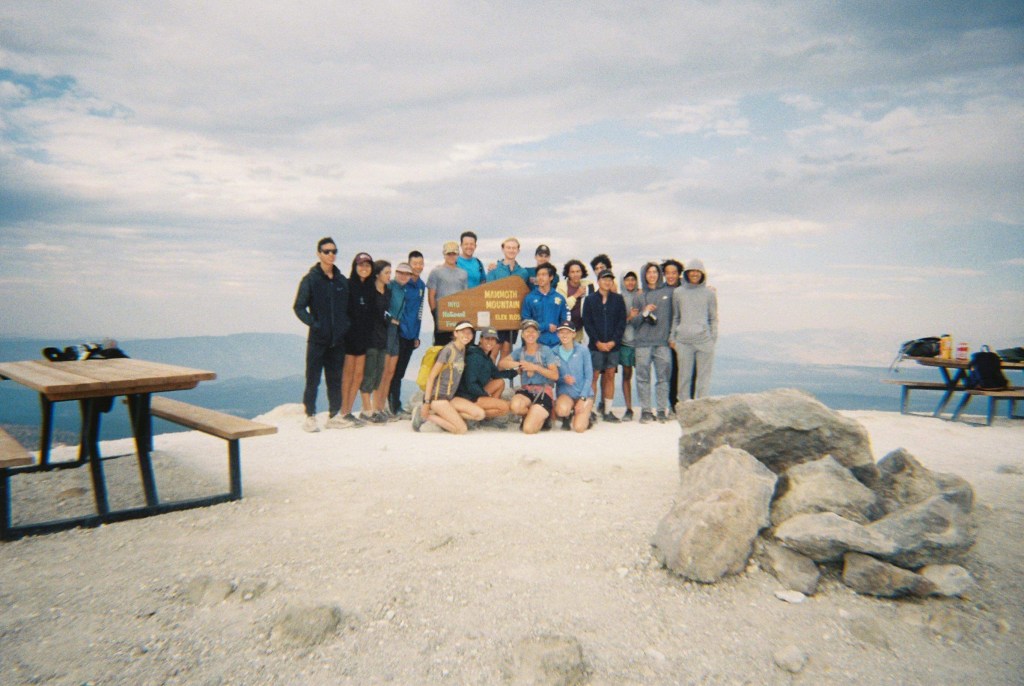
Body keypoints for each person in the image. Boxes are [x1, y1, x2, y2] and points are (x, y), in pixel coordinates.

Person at [292, 237, 350, 432]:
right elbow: (299, 307)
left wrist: (345, 326)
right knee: (313, 379)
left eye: (334, 251)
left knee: (335, 379)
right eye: (326, 251)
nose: (331, 254)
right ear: (319, 253)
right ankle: (310, 416)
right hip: (318, 339)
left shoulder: (341, 280)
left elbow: (348, 308)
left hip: (338, 340)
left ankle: (334, 415)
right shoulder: (310, 279)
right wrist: (315, 324)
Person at [414, 321, 486, 434]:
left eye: (469, 333)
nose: (466, 335)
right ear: (455, 333)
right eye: (463, 332)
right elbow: (431, 377)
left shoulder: (462, 350)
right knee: (461, 429)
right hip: (437, 398)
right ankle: (426, 416)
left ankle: (440, 414)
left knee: (480, 414)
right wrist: (427, 402)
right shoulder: (448, 350)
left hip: (450, 398)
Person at [500, 319, 560, 434]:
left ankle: (542, 416)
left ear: (538, 334)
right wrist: (521, 365)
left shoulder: (545, 350)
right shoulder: (520, 352)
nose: (530, 334)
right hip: (526, 391)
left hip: (543, 392)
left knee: (528, 429)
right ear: (522, 335)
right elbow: (502, 363)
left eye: (533, 331)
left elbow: (555, 375)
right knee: (515, 407)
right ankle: (532, 414)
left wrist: (535, 368)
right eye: (527, 331)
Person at [670, 258, 718, 402]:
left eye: (698, 271)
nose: (695, 274)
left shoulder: (709, 294)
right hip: (683, 342)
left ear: (702, 273)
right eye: (692, 271)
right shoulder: (678, 292)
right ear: (687, 273)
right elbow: (676, 317)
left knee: (703, 378)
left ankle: (702, 406)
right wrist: (672, 337)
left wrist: (712, 338)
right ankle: (684, 407)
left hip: (704, 341)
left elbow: (713, 318)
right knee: (684, 377)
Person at [338, 252, 376, 427]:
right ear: (355, 267)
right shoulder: (348, 285)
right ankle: (343, 411)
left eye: (367, 265)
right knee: (348, 375)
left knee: (358, 376)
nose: (364, 268)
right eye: (361, 265)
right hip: (349, 337)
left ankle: (348, 411)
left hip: (363, 337)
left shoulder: (370, 287)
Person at [583, 269, 627, 422]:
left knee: (610, 375)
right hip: (596, 346)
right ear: (598, 281)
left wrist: (614, 341)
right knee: (594, 376)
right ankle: (590, 410)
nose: (607, 282)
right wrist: (597, 342)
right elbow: (587, 323)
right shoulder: (590, 300)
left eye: (610, 279)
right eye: (604, 279)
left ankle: (607, 411)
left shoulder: (618, 299)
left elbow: (621, 322)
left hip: (613, 346)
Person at [632, 262, 673, 423]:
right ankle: (646, 411)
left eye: (655, 272)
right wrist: (645, 312)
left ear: (659, 274)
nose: (652, 275)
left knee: (663, 378)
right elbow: (634, 322)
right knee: (642, 378)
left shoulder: (669, 293)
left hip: (662, 343)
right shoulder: (639, 296)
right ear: (644, 275)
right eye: (648, 272)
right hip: (642, 343)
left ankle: (662, 410)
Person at [389, 251, 426, 417]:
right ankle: (393, 406)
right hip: (398, 333)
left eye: (421, 263)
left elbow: (419, 312)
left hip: (411, 335)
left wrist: (417, 335)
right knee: (394, 372)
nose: (418, 266)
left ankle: (394, 405)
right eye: (415, 263)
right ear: (409, 265)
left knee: (401, 372)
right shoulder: (402, 284)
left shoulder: (421, 286)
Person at [374, 262, 412, 421]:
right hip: (387, 329)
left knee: (390, 371)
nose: (403, 276)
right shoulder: (390, 286)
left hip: (396, 330)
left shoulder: (403, 289)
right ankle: (376, 408)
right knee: (383, 370)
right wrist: (389, 319)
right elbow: (380, 305)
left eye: (407, 274)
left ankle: (383, 408)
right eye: (400, 272)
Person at [454, 327, 515, 422]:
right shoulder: (474, 357)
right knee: (505, 407)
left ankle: (486, 416)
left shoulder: (485, 356)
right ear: (481, 339)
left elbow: (496, 374)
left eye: (493, 339)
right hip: (468, 396)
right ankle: (471, 414)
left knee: (500, 382)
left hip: (476, 392)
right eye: (487, 338)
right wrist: (485, 395)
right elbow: (471, 384)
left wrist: (516, 372)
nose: (490, 342)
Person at [358, 259, 392, 423]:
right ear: (377, 274)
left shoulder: (387, 292)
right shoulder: (369, 291)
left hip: (382, 337)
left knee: (378, 375)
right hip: (370, 338)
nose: (389, 276)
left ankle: (373, 409)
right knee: (369, 374)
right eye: (386, 273)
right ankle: (367, 410)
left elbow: (385, 313)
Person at [486, 236, 531, 360]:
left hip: (513, 317)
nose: (511, 250)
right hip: (497, 316)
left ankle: (501, 374)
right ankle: (489, 373)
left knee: (506, 352)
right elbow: (487, 292)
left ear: (518, 250)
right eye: (508, 248)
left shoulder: (523, 272)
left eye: (514, 248)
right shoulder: (494, 269)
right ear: (503, 249)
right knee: (493, 351)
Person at [552, 322, 594, 432]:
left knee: (579, 428)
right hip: (565, 394)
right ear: (558, 334)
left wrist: (583, 398)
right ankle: (567, 415)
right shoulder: (553, 352)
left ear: (574, 334)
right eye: (561, 332)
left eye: (568, 332)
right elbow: (552, 376)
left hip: (583, 394)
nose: (564, 335)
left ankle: (586, 415)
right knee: (561, 410)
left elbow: (589, 376)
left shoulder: (583, 350)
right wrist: (563, 379)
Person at [427, 241, 469, 346]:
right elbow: (431, 295)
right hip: (442, 316)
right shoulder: (436, 272)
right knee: (440, 347)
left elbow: (465, 295)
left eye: (454, 254)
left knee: (458, 346)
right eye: (449, 254)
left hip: (458, 316)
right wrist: (434, 313)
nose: (451, 256)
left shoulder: (463, 273)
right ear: (444, 254)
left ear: (458, 254)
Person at [520, 263, 567, 348]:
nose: (540, 277)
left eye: (544, 275)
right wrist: (545, 326)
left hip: (556, 345)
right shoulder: (529, 298)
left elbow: (565, 321)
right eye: (538, 275)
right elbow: (525, 322)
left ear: (551, 277)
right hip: (535, 344)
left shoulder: (560, 298)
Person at [661, 258, 684, 413]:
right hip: (666, 338)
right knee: (671, 372)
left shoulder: (685, 289)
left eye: (674, 273)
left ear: (679, 274)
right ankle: (673, 405)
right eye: (668, 273)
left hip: (683, 337)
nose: (671, 276)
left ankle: (686, 402)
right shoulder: (661, 290)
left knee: (686, 371)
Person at [619, 270, 641, 421]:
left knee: (642, 376)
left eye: (633, 279)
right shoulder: (619, 298)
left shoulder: (642, 295)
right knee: (626, 375)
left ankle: (645, 408)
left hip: (641, 343)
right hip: (625, 342)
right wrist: (629, 317)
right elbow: (616, 322)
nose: (630, 282)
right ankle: (628, 408)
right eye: (627, 280)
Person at [556, 259, 591, 345]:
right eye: (572, 272)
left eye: (578, 271)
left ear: (582, 272)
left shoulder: (588, 285)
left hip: (580, 332)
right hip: (564, 330)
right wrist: (576, 294)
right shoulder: (561, 286)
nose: (575, 274)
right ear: (568, 274)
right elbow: (562, 308)